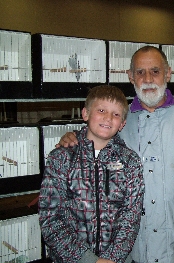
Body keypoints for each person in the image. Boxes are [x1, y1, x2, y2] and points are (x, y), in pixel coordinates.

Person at [58, 46, 174, 263]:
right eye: (140, 72)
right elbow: (94, 136)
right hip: (134, 246)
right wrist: (73, 138)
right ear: (131, 76)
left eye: (155, 71)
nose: (148, 79)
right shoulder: (119, 123)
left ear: (168, 73)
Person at [39, 85, 145, 263]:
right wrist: (87, 260)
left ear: (122, 124)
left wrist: (112, 258)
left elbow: (131, 216)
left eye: (116, 114)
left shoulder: (130, 161)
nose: (108, 118)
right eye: (101, 110)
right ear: (85, 114)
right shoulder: (62, 158)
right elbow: (50, 217)